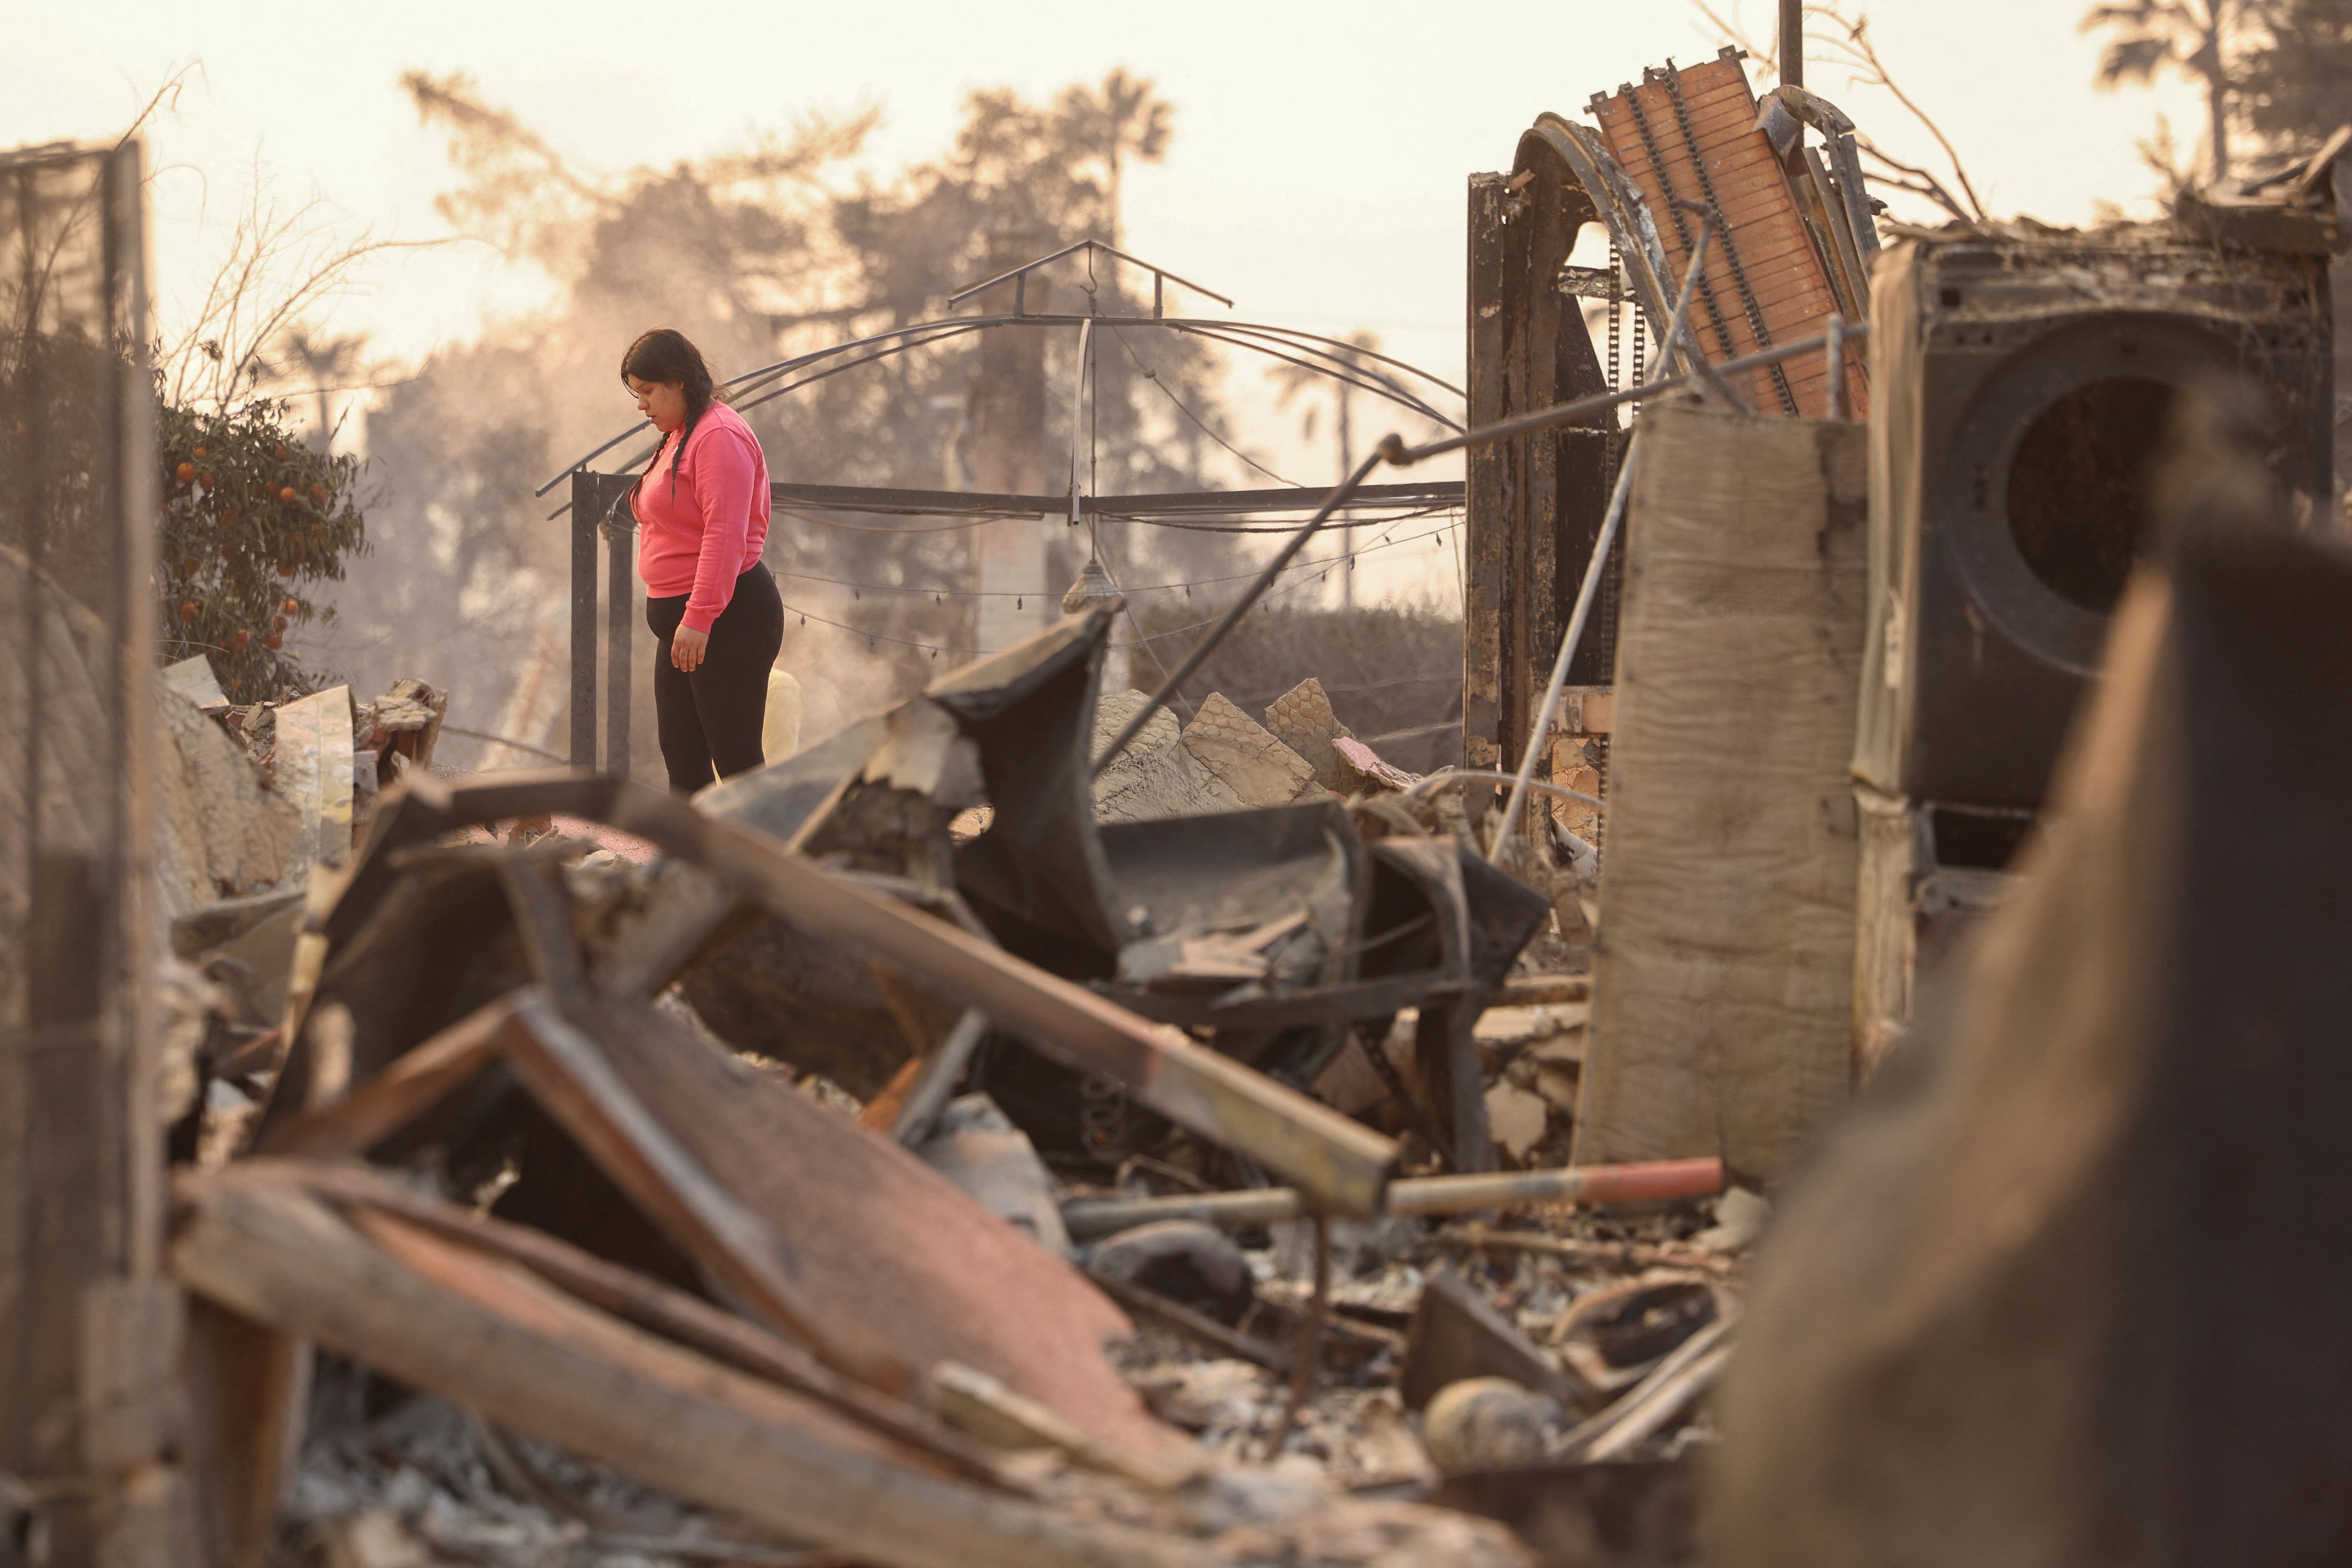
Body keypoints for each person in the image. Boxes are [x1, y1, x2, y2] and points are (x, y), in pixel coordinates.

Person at [621, 329, 784, 794]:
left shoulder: (718, 435)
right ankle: (687, 865)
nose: (642, 405)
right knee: (682, 757)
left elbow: (725, 534)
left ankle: (762, 865)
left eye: (649, 391)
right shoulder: (679, 435)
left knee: (736, 762)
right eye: (638, 393)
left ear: (677, 381)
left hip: (724, 618)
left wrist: (699, 616)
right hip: (688, 624)